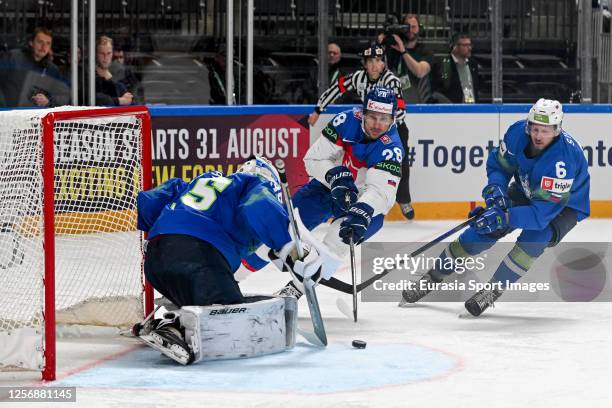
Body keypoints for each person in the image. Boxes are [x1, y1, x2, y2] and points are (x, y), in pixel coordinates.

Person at [399, 99, 590, 316]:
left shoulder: (561, 163)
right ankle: (432, 277)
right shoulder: (518, 133)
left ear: (556, 130)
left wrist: (504, 217)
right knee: (481, 230)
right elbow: (499, 165)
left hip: (563, 206)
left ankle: (493, 290)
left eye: (545, 131)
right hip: (526, 189)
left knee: (534, 240)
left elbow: (539, 216)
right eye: (535, 128)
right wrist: (496, 190)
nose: (538, 135)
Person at [136, 157, 325, 362]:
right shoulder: (252, 184)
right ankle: (172, 327)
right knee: (232, 315)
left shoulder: (201, 182)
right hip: (197, 255)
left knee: (212, 300)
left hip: (156, 258)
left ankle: (179, 314)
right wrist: (288, 246)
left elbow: (148, 202)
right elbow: (260, 204)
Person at [247, 86, 404, 297]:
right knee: (279, 228)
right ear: (363, 113)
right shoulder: (346, 121)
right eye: (373, 117)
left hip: (363, 206)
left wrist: (363, 210)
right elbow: (313, 159)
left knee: (335, 243)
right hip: (326, 190)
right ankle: (232, 276)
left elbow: (382, 192)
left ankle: (293, 292)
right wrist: (335, 176)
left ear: (393, 119)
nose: (377, 124)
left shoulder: (391, 147)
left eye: (384, 119)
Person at [307, 44, 415, 219]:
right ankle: (355, 198)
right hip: (367, 126)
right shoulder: (358, 77)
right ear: (365, 64)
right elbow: (336, 88)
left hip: (391, 128)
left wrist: (385, 124)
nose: (374, 65)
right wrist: (318, 110)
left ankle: (403, 199)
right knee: (354, 160)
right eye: (370, 61)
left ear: (383, 63)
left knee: (400, 163)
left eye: (378, 61)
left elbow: (401, 109)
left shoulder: (391, 80)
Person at [0, 27, 69, 107]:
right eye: (40, 42)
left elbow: (63, 96)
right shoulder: (13, 57)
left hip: (35, 117)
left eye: (48, 43)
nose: (44, 47)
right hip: (6, 115)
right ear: (31, 42)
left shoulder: (52, 69)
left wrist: (48, 101)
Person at [382, 14, 434, 104]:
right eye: (406, 26)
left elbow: (420, 72)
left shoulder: (425, 51)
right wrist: (381, 44)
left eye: (414, 27)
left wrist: (403, 51)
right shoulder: (392, 50)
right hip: (394, 104)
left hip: (419, 105)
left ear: (419, 29)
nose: (410, 30)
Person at [430, 33, 479, 103]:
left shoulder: (472, 63)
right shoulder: (444, 64)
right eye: (465, 45)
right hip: (453, 110)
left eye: (470, 45)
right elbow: (439, 91)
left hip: (472, 109)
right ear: (455, 47)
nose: (469, 48)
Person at [95, 36, 134, 106]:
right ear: (96, 54)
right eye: (102, 53)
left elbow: (131, 99)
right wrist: (120, 100)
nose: (105, 57)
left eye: (108, 53)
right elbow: (94, 98)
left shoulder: (118, 77)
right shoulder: (89, 77)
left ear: (112, 54)